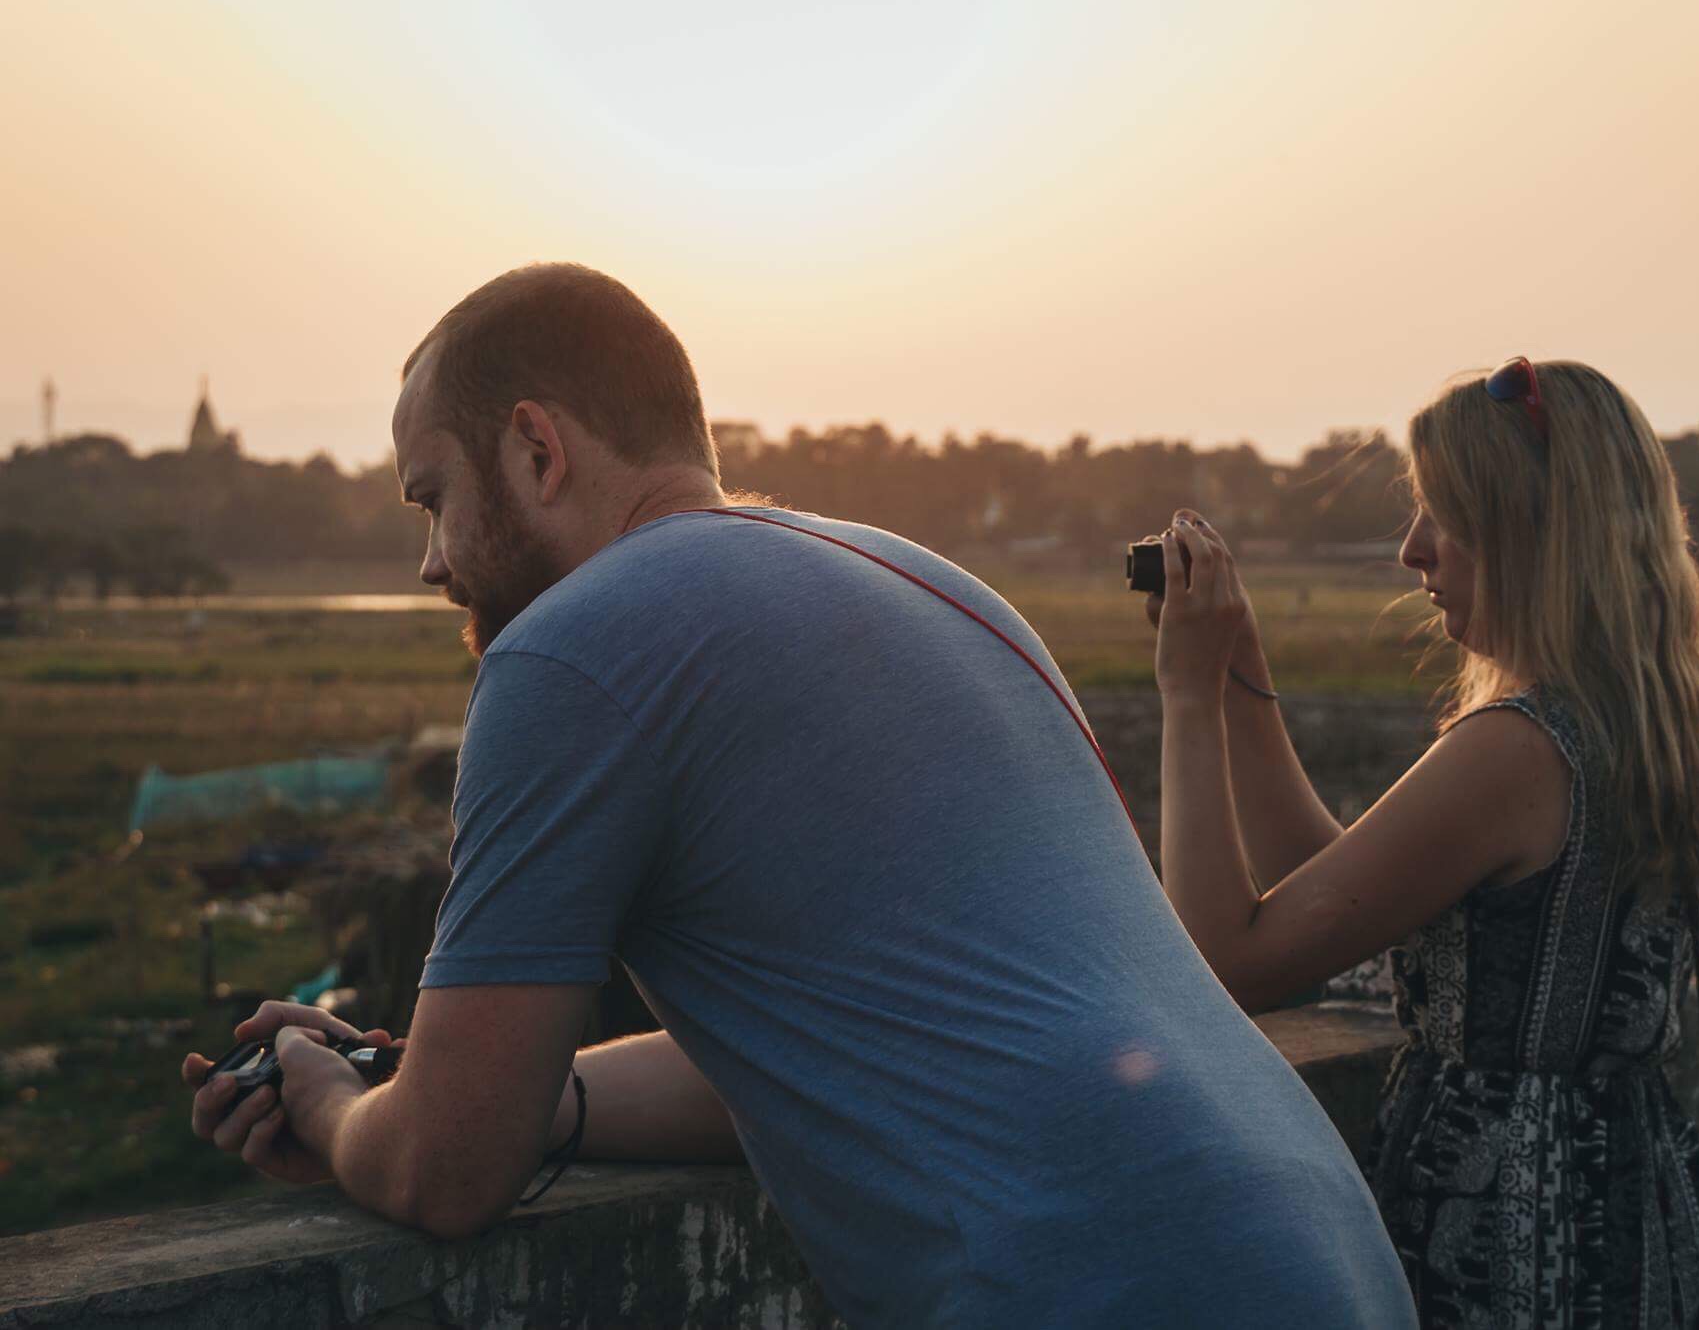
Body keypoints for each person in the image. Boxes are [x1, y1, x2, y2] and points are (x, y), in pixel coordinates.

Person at [182, 263, 1417, 1329]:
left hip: (1084, 1287)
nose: (432, 561)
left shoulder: (570, 653)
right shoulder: (945, 592)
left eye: (432, 498)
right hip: (1323, 1258)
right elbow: (817, 1051)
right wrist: (506, 1088)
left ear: (535, 448)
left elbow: (444, 1173)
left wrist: (337, 1107)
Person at [1146, 358, 1699, 1329]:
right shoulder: (1628, 723)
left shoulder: (1513, 750)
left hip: (1507, 1252)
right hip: (1627, 1221)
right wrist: (1238, 680)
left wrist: (1181, 697)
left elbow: (1229, 958)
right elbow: (1345, 896)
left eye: (1442, 515)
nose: (1411, 551)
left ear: (1524, 535)